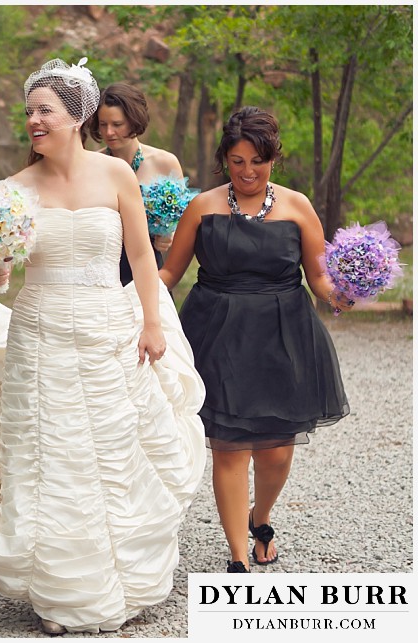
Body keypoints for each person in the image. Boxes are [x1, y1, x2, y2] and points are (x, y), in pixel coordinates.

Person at [0, 58, 206, 633]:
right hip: (42, 328)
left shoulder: (117, 175)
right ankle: (61, 590)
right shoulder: (13, 191)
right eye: (28, 110)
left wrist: (153, 322)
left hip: (110, 326)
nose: (32, 120)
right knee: (50, 454)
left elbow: (141, 256)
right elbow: (3, 273)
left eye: (43, 110)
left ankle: (122, 582)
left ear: (76, 116)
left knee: (112, 449)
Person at [159, 106, 350, 573]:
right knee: (228, 447)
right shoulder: (202, 206)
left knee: (277, 453)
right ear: (225, 158)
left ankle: (259, 519)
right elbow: (168, 273)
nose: (247, 171)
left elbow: (320, 278)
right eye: (237, 161)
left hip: (282, 336)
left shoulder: (297, 205)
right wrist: (127, 302)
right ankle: (238, 557)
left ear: (273, 159)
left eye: (257, 162)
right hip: (216, 334)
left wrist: (342, 294)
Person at [90, 82, 188, 285]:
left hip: (148, 266)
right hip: (103, 270)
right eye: (103, 124)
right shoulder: (93, 165)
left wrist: (170, 234)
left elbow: (184, 222)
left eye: (117, 124)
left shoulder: (165, 162)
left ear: (134, 121)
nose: (109, 132)